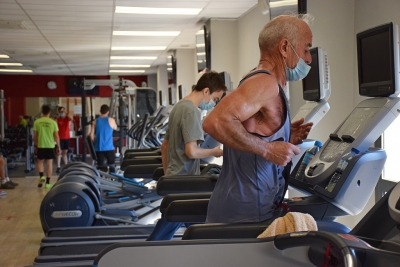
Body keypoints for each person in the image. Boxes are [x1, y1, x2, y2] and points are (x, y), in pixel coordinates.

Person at [203, 14, 314, 224]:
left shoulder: (260, 78)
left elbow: (251, 129)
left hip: (242, 205)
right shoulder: (265, 83)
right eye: (306, 49)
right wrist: (268, 149)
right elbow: (214, 122)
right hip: (245, 214)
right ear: (284, 48)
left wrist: (284, 135)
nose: (308, 59)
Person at [147, 71, 227, 241]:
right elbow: (192, 151)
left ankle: (204, 251)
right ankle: (147, 253)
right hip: (185, 181)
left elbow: (165, 146)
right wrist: (216, 152)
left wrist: (168, 177)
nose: (212, 103)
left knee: (187, 221)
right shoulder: (192, 112)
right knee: (182, 221)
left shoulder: (179, 106)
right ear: (206, 91)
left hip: (176, 177)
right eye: (214, 99)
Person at [34, 104, 60, 188]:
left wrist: (35, 145)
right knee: (49, 164)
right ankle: (48, 183)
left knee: (40, 162)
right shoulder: (53, 122)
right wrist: (58, 146)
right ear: (50, 112)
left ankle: (41, 176)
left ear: (42, 112)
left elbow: (34, 136)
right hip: (50, 146)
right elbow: (56, 136)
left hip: (41, 145)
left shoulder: (37, 122)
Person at [90, 104, 117, 173]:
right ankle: (113, 180)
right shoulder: (111, 120)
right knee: (111, 166)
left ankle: (101, 180)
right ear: (108, 111)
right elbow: (115, 128)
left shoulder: (95, 121)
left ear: (100, 111)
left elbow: (91, 136)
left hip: (99, 148)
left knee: (101, 167)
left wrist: (95, 141)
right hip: (109, 148)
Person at [56, 106, 73, 174]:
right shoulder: (58, 119)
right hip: (60, 138)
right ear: (59, 112)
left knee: (65, 153)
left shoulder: (67, 118)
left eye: (63, 111)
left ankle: (66, 166)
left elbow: (71, 118)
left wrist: (66, 112)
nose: (62, 113)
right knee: (58, 153)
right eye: (61, 112)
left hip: (67, 138)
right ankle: (58, 167)